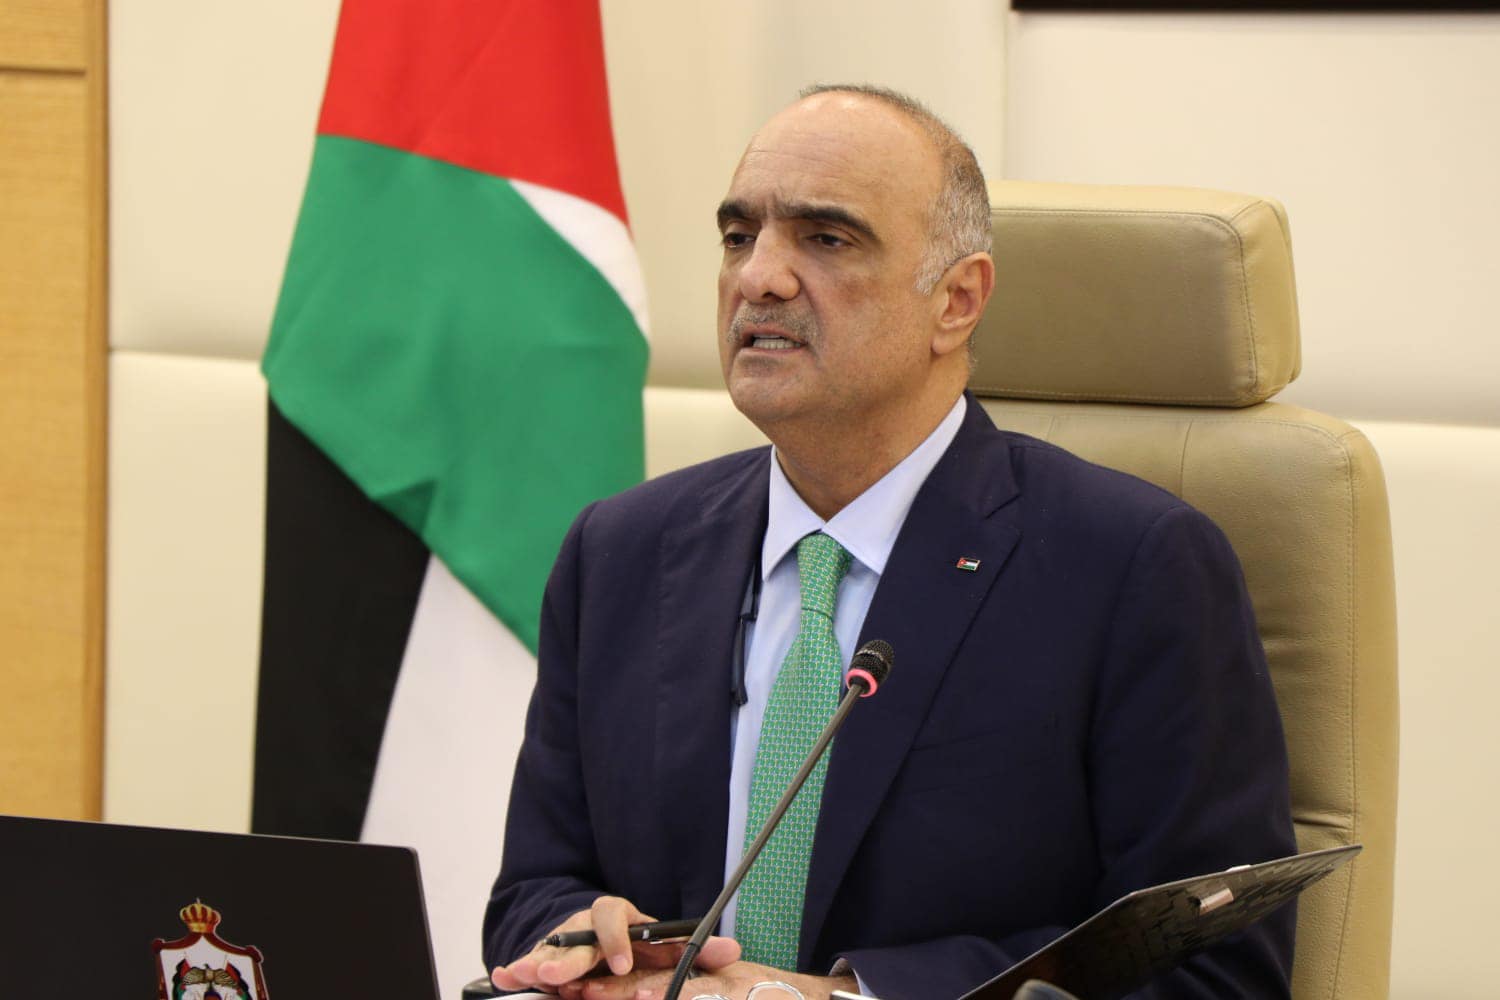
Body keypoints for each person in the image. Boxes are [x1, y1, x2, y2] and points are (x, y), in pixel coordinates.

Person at [483, 85, 1296, 1000]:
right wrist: (590, 945)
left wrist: (837, 998)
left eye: (826, 239)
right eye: (739, 236)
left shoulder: (1133, 568)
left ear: (957, 300)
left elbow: (1211, 970)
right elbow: (533, 892)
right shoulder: (621, 552)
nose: (759, 277)